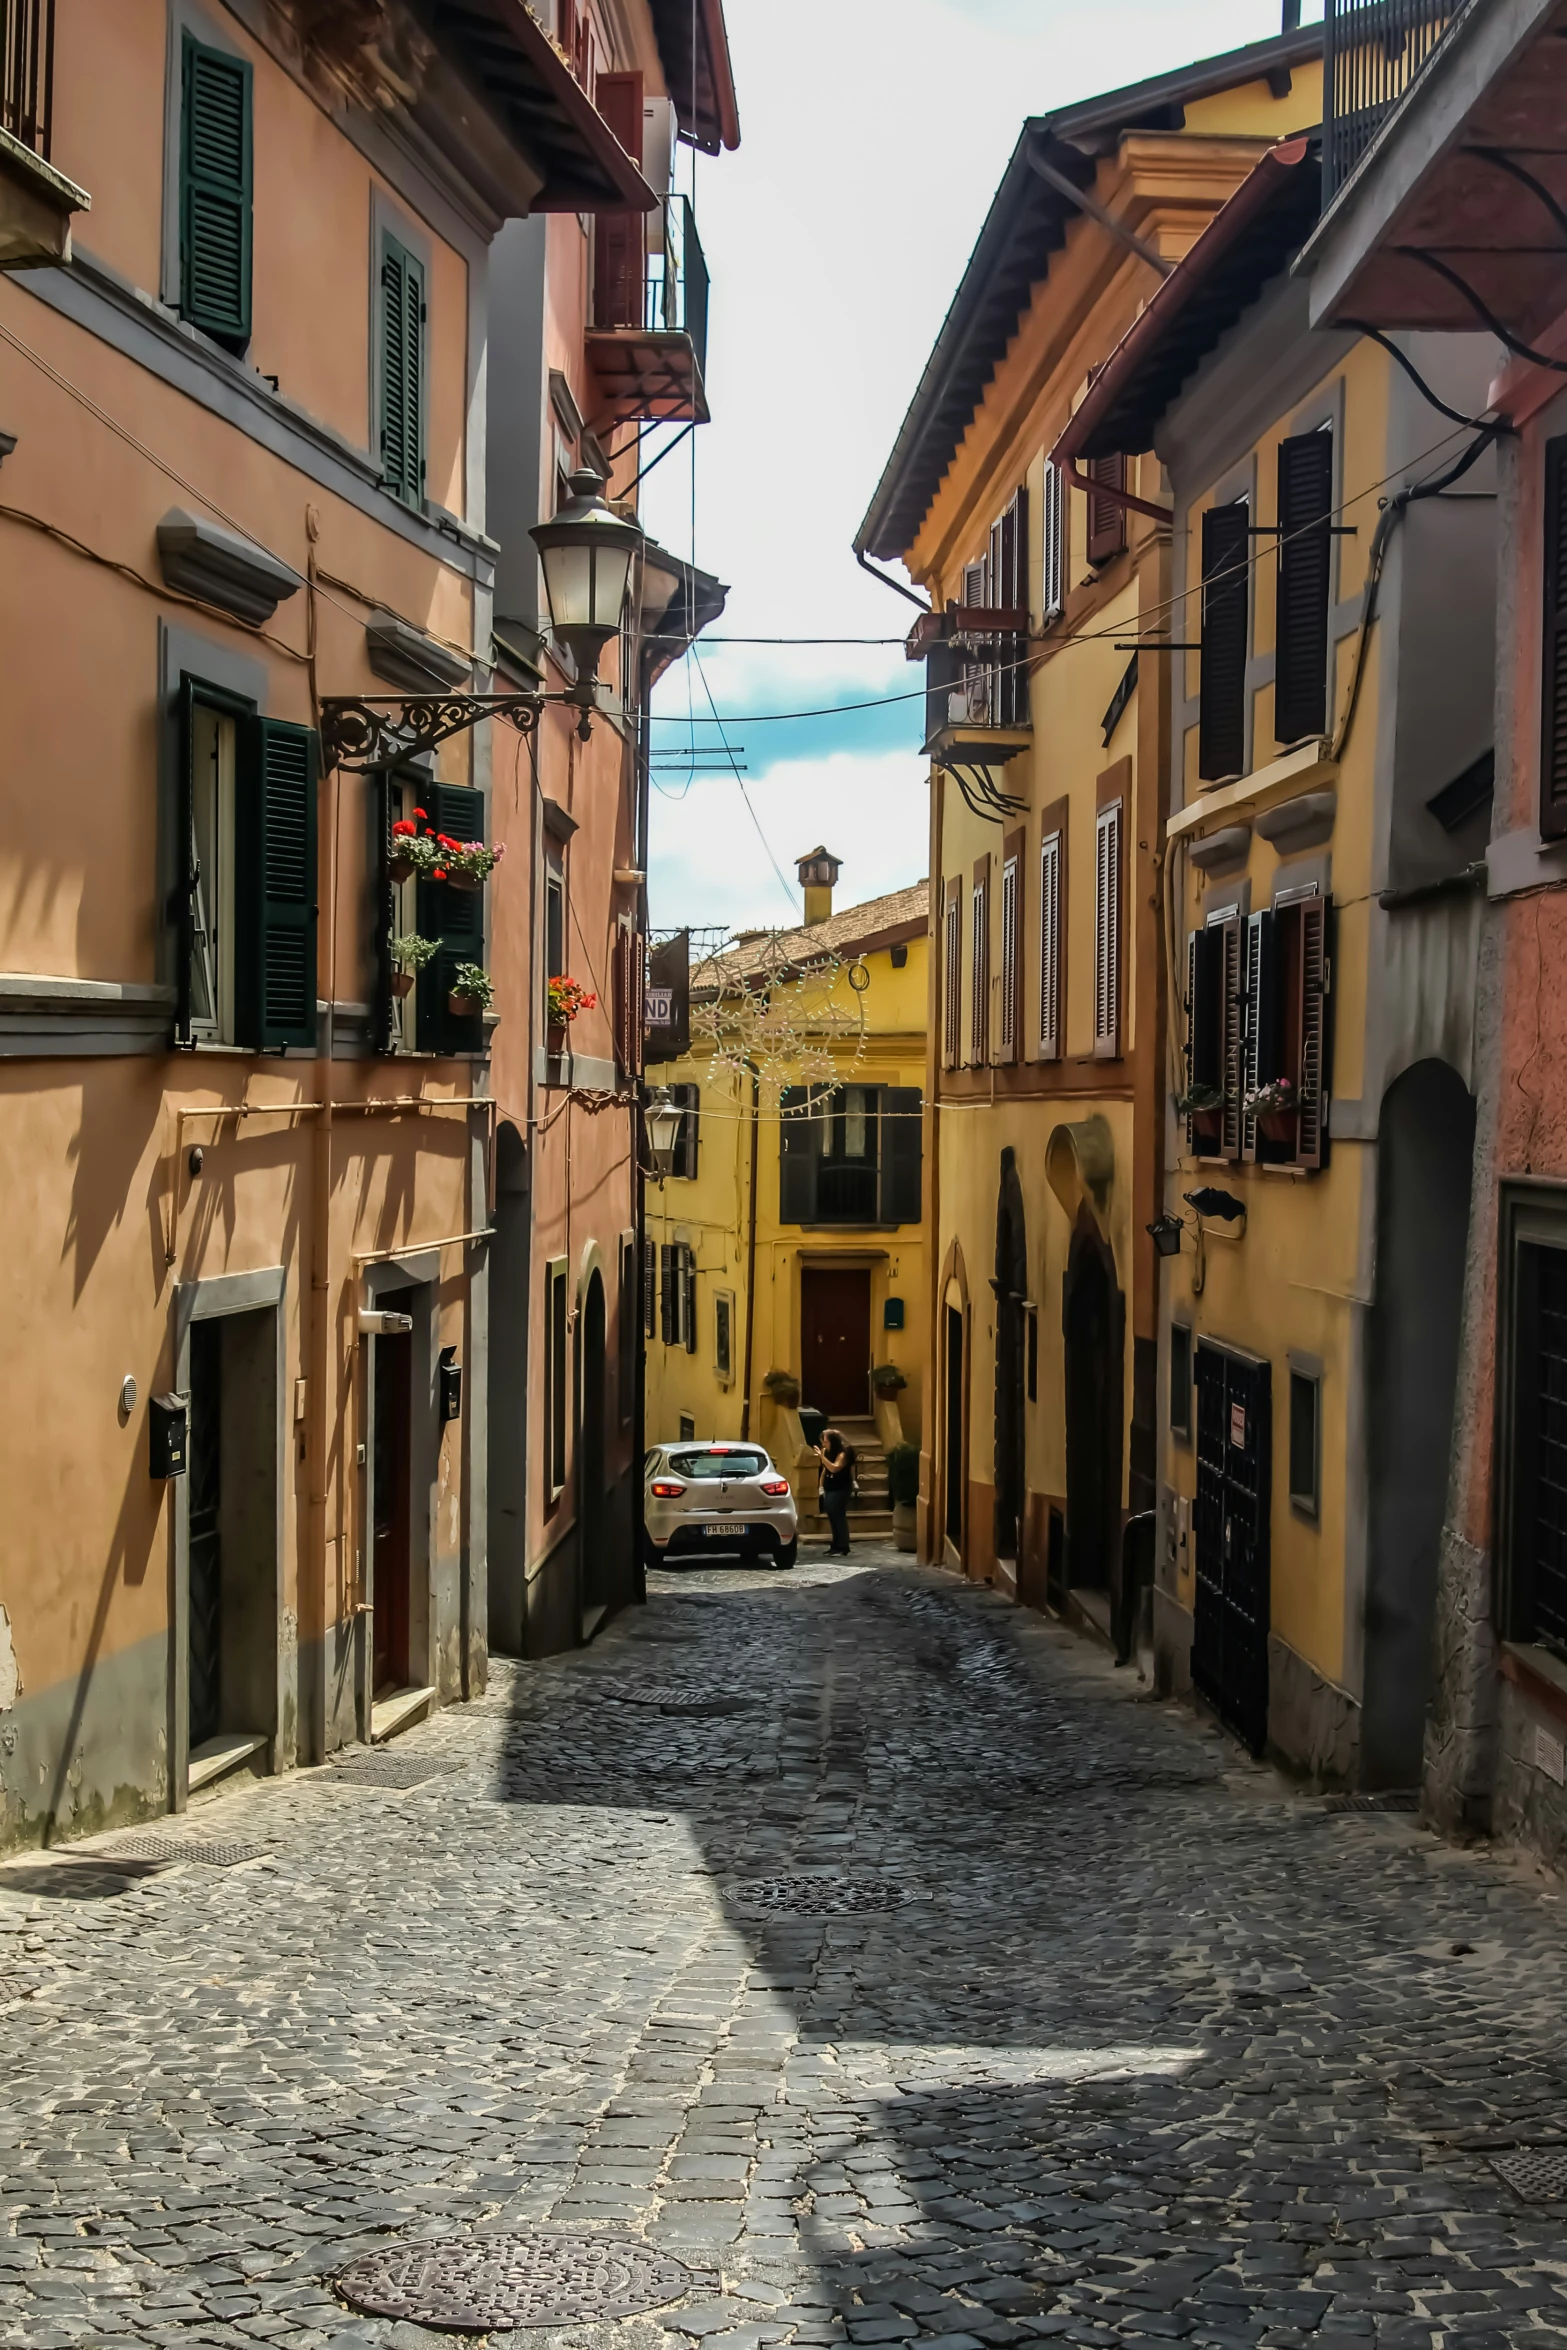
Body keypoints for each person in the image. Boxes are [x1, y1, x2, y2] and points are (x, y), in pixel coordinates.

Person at [814, 1426, 857, 1556]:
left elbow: (834, 1468)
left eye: (826, 1441)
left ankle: (843, 1546)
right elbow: (825, 1471)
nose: (823, 1444)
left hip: (841, 1488)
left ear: (833, 1441)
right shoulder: (827, 1451)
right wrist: (820, 1487)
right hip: (830, 1487)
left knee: (838, 1516)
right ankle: (835, 1545)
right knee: (832, 1516)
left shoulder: (843, 1453)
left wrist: (822, 1457)